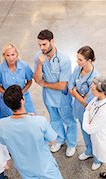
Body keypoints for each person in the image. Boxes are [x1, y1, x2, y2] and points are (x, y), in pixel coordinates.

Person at [0, 85, 83, 179]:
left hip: (23, 165)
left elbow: (3, 142)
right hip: (43, 163)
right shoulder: (39, 121)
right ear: (22, 101)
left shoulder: (2, 124)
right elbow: (53, 140)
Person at [33, 29, 77, 157]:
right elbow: (36, 79)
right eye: (39, 45)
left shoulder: (64, 60)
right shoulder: (39, 57)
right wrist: (40, 65)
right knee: (54, 120)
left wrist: (45, 84)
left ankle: (72, 144)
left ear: (52, 41)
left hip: (62, 98)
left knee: (69, 121)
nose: (42, 48)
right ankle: (59, 140)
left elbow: (63, 85)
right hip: (48, 97)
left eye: (44, 44)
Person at [68, 46, 102, 171]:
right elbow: (70, 87)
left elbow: (87, 102)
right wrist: (78, 94)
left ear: (89, 60)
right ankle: (89, 151)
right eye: (77, 59)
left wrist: (76, 93)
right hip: (79, 109)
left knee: (93, 134)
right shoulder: (77, 69)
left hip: (90, 111)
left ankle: (98, 158)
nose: (77, 62)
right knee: (84, 131)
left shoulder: (95, 77)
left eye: (80, 59)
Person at [0, 43, 36, 119]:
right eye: (7, 55)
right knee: (9, 121)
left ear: (17, 54)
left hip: (23, 97)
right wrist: (6, 93)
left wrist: (22, 91)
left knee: (29, 119)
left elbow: (29, 81)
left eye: (13, 54)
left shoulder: (24, 66)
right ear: (4, 56)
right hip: (7, 100)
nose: (11, 58)